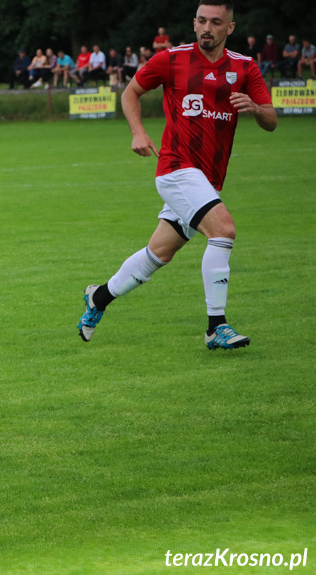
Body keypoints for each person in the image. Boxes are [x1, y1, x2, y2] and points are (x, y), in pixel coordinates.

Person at [77, 0, 276, 351]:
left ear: (229, 28)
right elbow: (130, 92)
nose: (206, 28)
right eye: (201, 20)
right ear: (193, 22)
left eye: (216, 22)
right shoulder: (171, 59)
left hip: (209, 178)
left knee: (158, 253)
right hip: (175, 168)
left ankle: (99, 298)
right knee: (224, 231)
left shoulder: (245, 67)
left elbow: (271, 121)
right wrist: (138, 132)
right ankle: (216, 326)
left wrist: (256, 109)